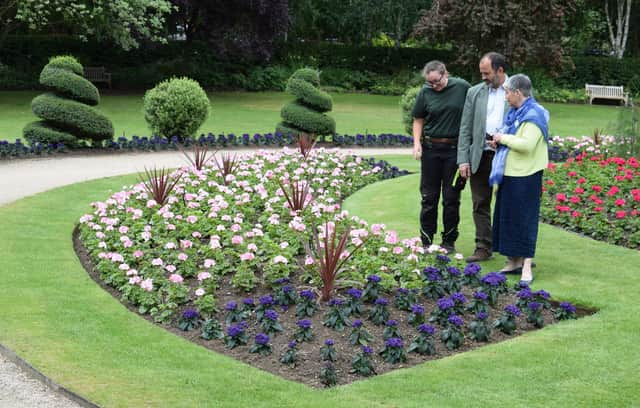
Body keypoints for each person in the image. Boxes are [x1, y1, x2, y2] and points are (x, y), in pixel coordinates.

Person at [487, 74, 549, 285]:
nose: (505, 96)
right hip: (508, 173)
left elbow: (526, 144)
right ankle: (513, 261)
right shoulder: (514, 113)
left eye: (507, 92)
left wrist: (502, 138)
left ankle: (527, 266)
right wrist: (499, 143)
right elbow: (510, 138)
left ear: (517, 92)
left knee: (525, 221)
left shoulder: (535, 114)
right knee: (507, 218)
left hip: (527, 176)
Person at [412, 60, 470, 253]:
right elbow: (418, 119)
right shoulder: (425, 92)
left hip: (454, 150)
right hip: (430, 149)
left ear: (445, 74)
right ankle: (426, 240)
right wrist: (416, 144)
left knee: (451, 198)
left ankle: (449, 241)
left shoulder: (461, 87)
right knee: (429, 197)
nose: (434, 86)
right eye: (430, 83)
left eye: (437, 81)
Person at [457, 52, 509, 262]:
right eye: (481, 73)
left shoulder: (517, 89)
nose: (483, 77)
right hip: (480, 154)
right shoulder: (474, 92)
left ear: (500, 70)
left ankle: (511, 250)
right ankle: (483, 246)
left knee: (507, 203)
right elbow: (465, 127)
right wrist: (463, 159)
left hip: (506, 155)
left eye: (487, 73)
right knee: (480, 202)